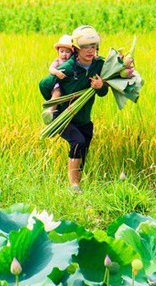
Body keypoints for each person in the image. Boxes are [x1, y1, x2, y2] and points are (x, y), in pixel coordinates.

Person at [39, 25, 109, 193]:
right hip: (63, 117)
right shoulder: (68, 68)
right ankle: (74, 185)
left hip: (83, 118)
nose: (90, 51)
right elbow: (43, 85)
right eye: (85, 47)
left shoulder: (99, 65)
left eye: (93, 46)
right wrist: (56, 94)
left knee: (83, 146)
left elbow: (103, 92)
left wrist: (100, 86)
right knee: (77, 141)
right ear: (77, 49)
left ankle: (79, 184)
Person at [42, 34, 74, 124]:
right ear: (58, 52)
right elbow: (51, 69)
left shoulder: (72, 62)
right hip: (58, 85)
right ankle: (50, 111)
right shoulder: (57, 61)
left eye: (67, 52)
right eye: (62, 51)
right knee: (57, 93)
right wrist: (57, 72)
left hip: (68, 85)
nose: (64, 54)